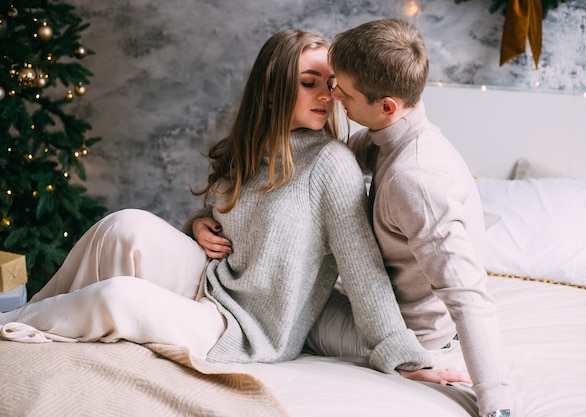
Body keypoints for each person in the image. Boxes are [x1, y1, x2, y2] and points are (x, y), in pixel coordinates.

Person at [0, 29, 470, 384]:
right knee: (125, 226)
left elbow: (364, 270)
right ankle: (29, 317)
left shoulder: (332, 163)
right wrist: (198, 225)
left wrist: (405, 357)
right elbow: (236, 226)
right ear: (272, 89)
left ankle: (9, 326)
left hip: (247, 327)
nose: (329, 96)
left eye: (332, 84)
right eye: (310, 83)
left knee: (117, 297)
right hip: (213, 281)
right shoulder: (249, 149)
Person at [198, 19, 513, 417]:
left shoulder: (417, 179)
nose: (333, 98)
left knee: (279, 307)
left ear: (385, 105)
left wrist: (497, 405)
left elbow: (468, 296)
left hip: (408, 330)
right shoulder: (387, 136)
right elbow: (293, 177)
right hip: (367, 304)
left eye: (341, 90)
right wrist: (204, 220)